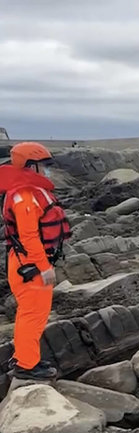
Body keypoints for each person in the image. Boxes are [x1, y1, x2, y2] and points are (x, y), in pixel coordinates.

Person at [0, 142, 71, 380]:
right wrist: (43, 267)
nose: (47, 170)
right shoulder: (25, 196)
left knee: (29, 314)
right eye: (44, 165)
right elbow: (29, 235)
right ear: (31, 166)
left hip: (25, 262)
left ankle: (24, 357)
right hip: (29, 265)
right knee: (33, 314)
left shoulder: (26, 192)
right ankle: (27, 366)